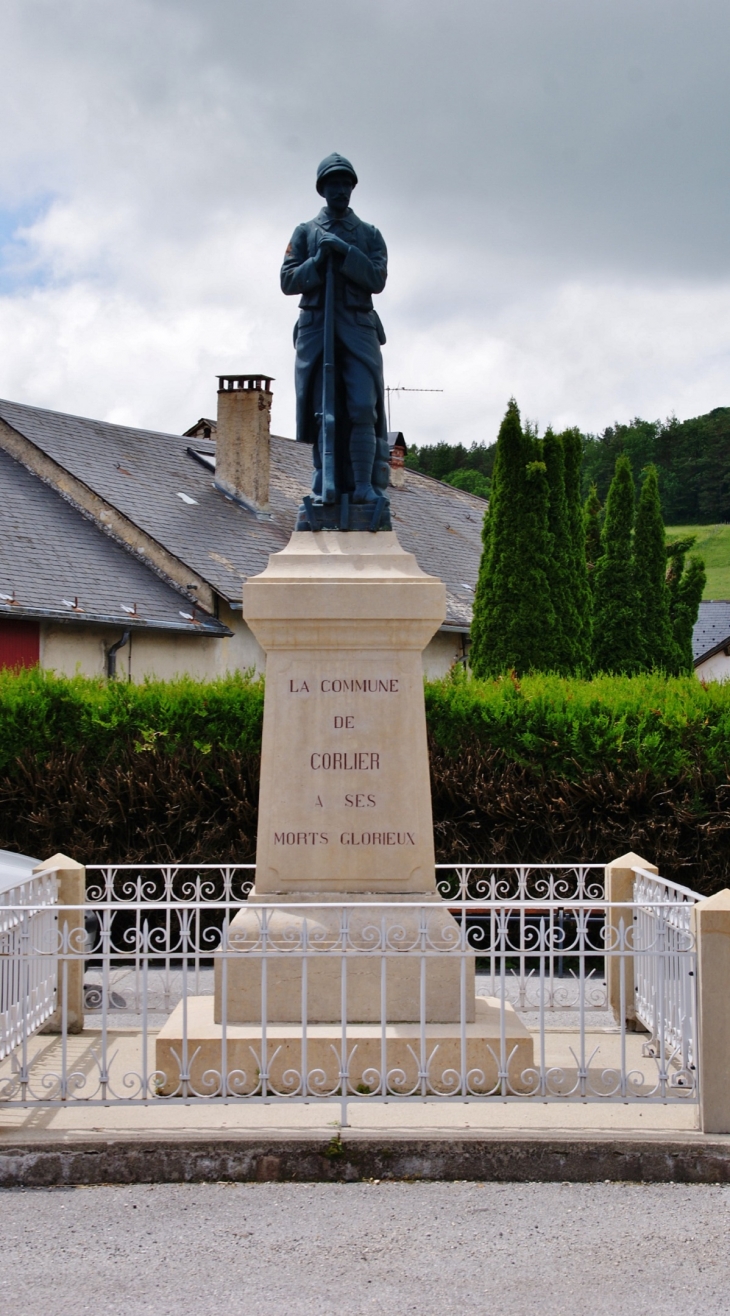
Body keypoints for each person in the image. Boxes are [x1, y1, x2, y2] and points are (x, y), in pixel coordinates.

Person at [281, 154, 391, 514]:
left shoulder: (369, 234)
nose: (340, 190)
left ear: (352, 188)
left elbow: (376, 279)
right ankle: (322, 479)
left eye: (345, 184)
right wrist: (316, 262)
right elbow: (287, 281)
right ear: (323, 189)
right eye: (333, 184)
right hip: (317, 329)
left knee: (362, 405)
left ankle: (364, 487)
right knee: (322, 410)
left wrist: (344, 252)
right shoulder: (305, 232)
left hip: (358, 328)